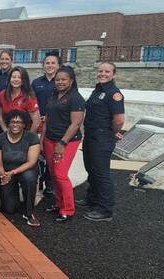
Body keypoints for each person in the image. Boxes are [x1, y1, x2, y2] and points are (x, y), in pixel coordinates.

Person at [75, 62, 125, 222]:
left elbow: (119, 119)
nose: (103, 74)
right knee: (91, 168)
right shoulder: (98, 90)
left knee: (102, 173)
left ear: (114, 75)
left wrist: (112, 132)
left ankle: (105, 209)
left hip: (102, 137)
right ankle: (93, 198)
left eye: (107, 71)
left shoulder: (114, 93)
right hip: (91, 136)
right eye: (100, 71)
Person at [41, 66, 85, 223]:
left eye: (63, 79)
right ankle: (58, 203)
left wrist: (62, 143)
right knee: (53, 174)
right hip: (49, 139)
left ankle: (68, 209)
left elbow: (76, 124)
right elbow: (47, 120)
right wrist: (42, 141)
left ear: (71, 81)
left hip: (66, 142)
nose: (59, 82)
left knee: (60, 174)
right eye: (57, 79)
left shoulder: (76, 98)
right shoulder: (54, 95)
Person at [0, 110, 41, 227]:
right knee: (9, 208)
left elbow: (32, 162)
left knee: (29, 178)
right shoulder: (0, 138)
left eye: (19, 122)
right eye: (13, 122)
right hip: (6, 172)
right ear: (8, 123)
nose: (15, 124)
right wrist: (3, 175)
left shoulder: (31, 137)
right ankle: (6, 192)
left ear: (24, 124)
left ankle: (29, 213)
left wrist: (13, 172)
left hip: (25, 170)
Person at [32, 51, 62, 197]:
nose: (50, 65)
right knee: (38, 154)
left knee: (51, 156)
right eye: (47, 63)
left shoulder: (62, 82)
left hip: (55, 125)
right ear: (43, 65)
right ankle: (39, 182)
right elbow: (31, 102)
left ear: (58, 65)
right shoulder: (36, 83)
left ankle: (50, 185)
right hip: (38, 123)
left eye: (53, 63)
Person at [0, 66, 41, 133]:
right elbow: (0, 116)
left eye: (20, 78)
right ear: (9, 79)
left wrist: (27, 139)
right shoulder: (2, 94)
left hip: (26, 133)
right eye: (13, 77)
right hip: (9, 133)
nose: (16, 79)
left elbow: (36, 122)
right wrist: (6, 133)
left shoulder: (29, 97)